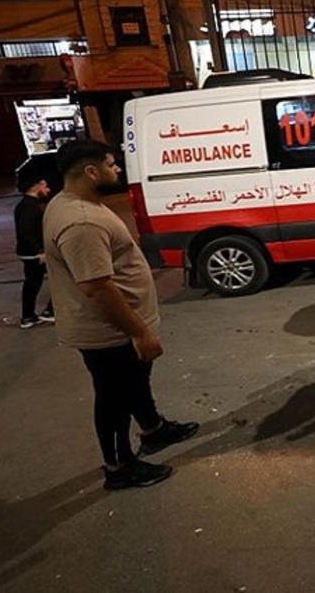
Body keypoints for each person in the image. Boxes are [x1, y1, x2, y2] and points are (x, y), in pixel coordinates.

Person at [43, 139, 199, 491]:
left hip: (118, 327)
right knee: (114, 397)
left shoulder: (71, 203)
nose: (117, 170)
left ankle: (153, 429)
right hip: (109, 332)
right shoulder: (81, 222)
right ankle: (118, 466)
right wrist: (139, 332)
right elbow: (97, 287)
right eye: (111, 165)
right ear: (91, 171)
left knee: (134, 383)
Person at [15, 175, 55, 328]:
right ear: (36, 186)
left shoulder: (26, 205)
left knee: (33, 283)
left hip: (30, 253)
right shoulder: (29, 207)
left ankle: (28, 316)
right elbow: (25, 232)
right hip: (34, 254)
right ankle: (50, 311)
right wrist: (39, 251)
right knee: (63, 276)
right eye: (45, 186)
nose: (47, 190)